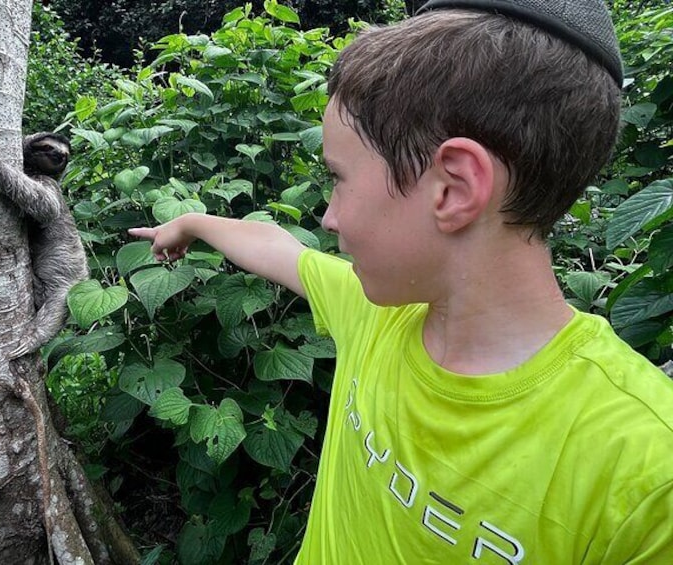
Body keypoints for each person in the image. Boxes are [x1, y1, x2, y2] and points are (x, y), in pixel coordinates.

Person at [130, 0, 673, 562]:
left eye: (338, 179)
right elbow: (277, 248)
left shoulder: (649, 476)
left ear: (454, 189)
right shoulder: (381, 310)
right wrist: (190, 222)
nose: (329, 218)